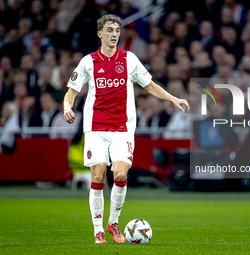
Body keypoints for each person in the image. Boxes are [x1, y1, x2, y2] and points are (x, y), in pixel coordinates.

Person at [62, 14, 190, 244]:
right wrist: (67, 107)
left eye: (117, 31)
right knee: (98, 176)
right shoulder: (88, 62)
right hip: (95, 128)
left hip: (122, 128)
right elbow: (72, 90)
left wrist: (173, 99)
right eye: (109, 30)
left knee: (120, 175)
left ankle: (113, 223)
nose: (114, 34)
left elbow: (149, 85)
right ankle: (98, 229)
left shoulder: (129, 60)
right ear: (100, 34)